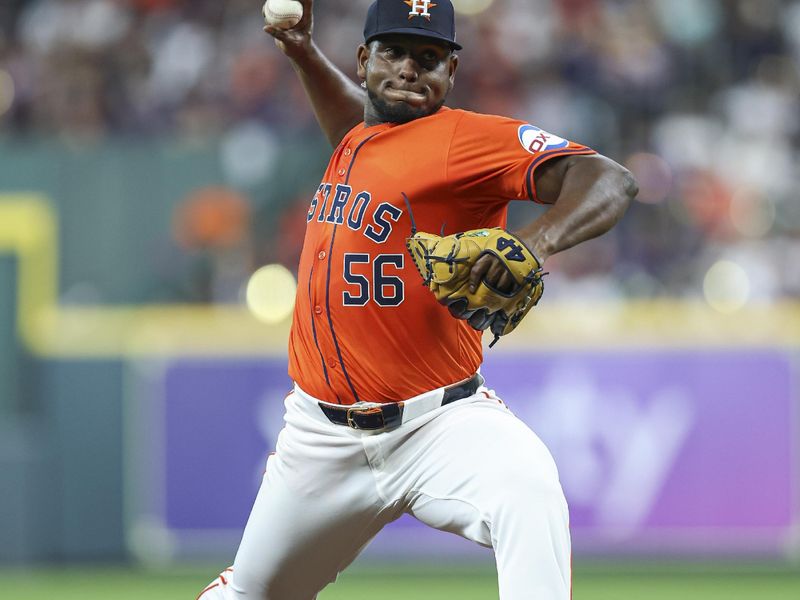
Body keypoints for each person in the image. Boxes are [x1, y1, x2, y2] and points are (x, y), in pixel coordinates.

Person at [198, 1, 637, 598]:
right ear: (364, 59)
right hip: (319, 439)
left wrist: (533, 243)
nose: (409, 69)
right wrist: (302, 54)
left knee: (530, 492)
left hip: (439, 423)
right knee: (245, 594)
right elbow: (356, 127)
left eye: (429, 58)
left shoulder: (464, 140)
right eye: (395, 52)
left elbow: (610, 179)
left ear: (451, 73)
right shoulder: (358, 140)